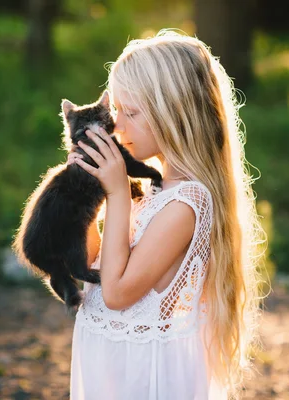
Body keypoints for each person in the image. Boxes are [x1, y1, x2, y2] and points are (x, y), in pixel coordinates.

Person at [65, 29, 266, 399]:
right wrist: (88, 192)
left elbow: (117, 292)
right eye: (117, 111)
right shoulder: (152, 188)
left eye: (132, 112)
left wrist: (118, 193)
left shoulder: (186, 204)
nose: (118, 125)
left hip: (144, 380)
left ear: (174, 113)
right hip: (112, 371)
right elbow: (91, 258)